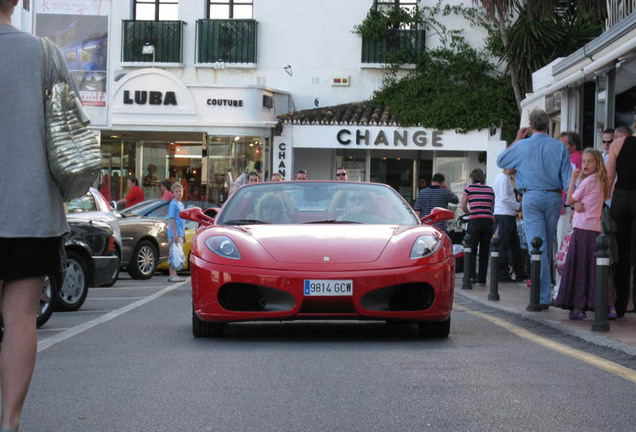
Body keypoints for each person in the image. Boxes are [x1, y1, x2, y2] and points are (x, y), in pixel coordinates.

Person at [0, 2, 71, 430]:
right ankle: (9, 422)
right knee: (21, 316)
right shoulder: (45, 54)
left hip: (27, 212)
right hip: (29, 210)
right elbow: (69, 129)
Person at [497, 109, 572, 310]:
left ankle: (540, 295)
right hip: (555, 196)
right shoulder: (559, 147)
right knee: (546, 246)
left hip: (531, 196)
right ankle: (544, 292)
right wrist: (573, 201)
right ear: (547, 125)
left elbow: (501, 161)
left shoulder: (522, 146)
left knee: (536, 246)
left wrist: (516, 139)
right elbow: (567, 178)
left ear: (530, 125)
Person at [555, 149, 614, 320]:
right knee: (595, 269)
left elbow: (569, 200)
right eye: (584, 161)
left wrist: (573, 178)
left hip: (582, 229)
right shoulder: (601, 181)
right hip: (595, 228)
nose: (585, 165)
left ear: (597, 164)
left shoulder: (588, 181)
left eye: (589, 161)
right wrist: (577, 205)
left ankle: (579, 306)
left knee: (579, 268)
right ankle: (608, 305)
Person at [606, 125, 636, 318]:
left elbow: (609, 178)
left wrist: (603, 201)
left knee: (622, 252)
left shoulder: (617, 143)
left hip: (622, 198)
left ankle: (620, 304)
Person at [461, 168, 495, 285]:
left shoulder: (469, 188)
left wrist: (469, 213)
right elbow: (492, 207)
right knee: (485, 251)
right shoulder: (490, 190)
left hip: (474, 221)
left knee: (472, 249)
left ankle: (471, 276)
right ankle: (482, 279)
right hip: (488, 222)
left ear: (472, 177)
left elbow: (463, 205)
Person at [494, 168, 525, 282]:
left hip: (507, 214)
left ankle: (519, 272)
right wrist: (517, 206)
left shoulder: (505, 178)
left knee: (514, 245)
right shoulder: (503, 178)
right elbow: (504, 197)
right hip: (504, 214)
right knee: (504, 245)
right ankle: (503, 273)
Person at [167, 183, 185, 283]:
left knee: (177, 254)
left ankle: (175, 274)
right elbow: (172, 219)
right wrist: (175, 234)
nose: (178, 193)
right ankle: (172, 274)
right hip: (174, 234)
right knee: (173, 253)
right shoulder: (173, 204)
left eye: (180, 191)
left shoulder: (182, 205)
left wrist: (183, 234)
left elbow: (183, 220)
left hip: (180, 233)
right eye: (176, 191)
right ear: (173, 193)